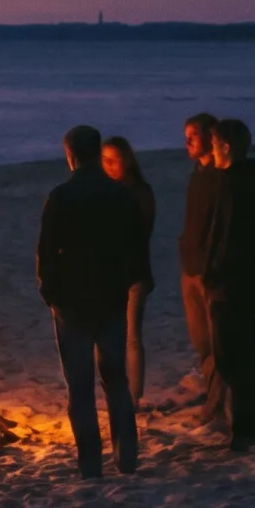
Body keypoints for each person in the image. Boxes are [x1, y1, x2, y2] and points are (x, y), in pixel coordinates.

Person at [37, 124, 150, 477]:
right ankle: (126, 458)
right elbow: (137, 245)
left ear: (70, 156)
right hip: (111, 297)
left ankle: (90, 463)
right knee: (116, 381)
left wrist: (50, 293)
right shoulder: (120, 195)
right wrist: (130, 280)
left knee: (81, 387)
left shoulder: (61, 196)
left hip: (72, 302)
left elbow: (46, 252)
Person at [199, 118, 255, 450]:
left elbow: (226, 235)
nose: (211, 150)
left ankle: (246, 431)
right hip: (250, 281)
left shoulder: (233, 183)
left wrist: (211, 273)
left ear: (226, 147)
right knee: (243, 355)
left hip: (231, 283)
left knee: (232, 358)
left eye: (214, 145)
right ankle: (248, 428)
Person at [102, 135, 157, 404]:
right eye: (104, 160)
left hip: (134, 273)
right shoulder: (101, 191)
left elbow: (140, 233)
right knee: (107, 336)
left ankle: (134, 397)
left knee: (132, 335)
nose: (109, 165)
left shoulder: (139, 191)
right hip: (107, 275)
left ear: (128, 161)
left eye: (115, 160)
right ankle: (115, 391)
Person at [177, 112, 223, 402]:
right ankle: (213, 397)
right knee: (202, 342)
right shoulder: (198, 174)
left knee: (219, 343)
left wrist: (209, 264)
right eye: (186, 136)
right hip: (190, 268)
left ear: (211, 137)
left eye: (193, 136)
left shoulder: (222, 176)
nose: (187, 142)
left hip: (210, 270)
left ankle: (219, 404)